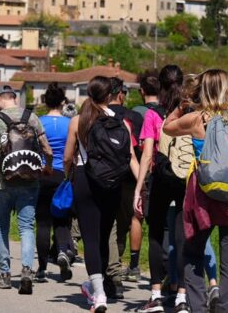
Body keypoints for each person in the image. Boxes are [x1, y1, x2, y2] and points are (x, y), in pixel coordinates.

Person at [163, 68, 228, 313]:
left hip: (202, 196)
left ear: (202, 90)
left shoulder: (197, 119)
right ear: (226, 89)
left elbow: (167, 128)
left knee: (193, 253)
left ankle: (197, 307)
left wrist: (180, 106)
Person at [64, 76, 139, 313]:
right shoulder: (121, 122)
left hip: (85, 179)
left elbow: (67, 156)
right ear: (110, 96)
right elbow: (131, 158)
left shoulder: (79, 120)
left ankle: (99, 294)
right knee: (105, 235)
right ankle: (102, 285)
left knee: (90, 238)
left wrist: (69, 176)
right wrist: (140, 188)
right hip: (112, 183)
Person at [0, 86, 53, 294]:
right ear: (15, 98)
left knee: (0, 227)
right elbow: (46, 148)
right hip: (29, 182)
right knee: (26, 227)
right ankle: (26, 270)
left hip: (1, 182)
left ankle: (4, 275)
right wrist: (47, 167)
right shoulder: (32, 117)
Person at [134, 65, 192, 313]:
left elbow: (147, 155)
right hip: (186, 179)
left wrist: (139, 189)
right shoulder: (191, 111)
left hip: (160, 178)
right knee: (182, 237)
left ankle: (156, 294)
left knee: (156, 235)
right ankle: (181, 296)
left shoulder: (154, 114)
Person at [105, 76, 145, 298]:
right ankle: (117, 265)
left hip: (105, 178)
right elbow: (138, 150)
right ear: (122, 94)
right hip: (130, 178)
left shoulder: (97, 115)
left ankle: (113, 272)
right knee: (124, 224)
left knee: (109, 226)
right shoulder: (134, 117)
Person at [34, 83, 75, 283]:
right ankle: (63, 252)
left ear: (45, 101)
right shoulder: (70, 124)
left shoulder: (38, 123)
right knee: (61, 219)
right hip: (62, 174)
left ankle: (41, 268)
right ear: (62, 102)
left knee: (42, 222)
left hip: (42, 173)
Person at [126, 69, 160, 282]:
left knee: (136, 216)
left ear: (141, 91)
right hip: (163, 170)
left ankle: (134, 264)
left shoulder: (134, 113)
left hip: (138, 168)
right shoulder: (169, 111)